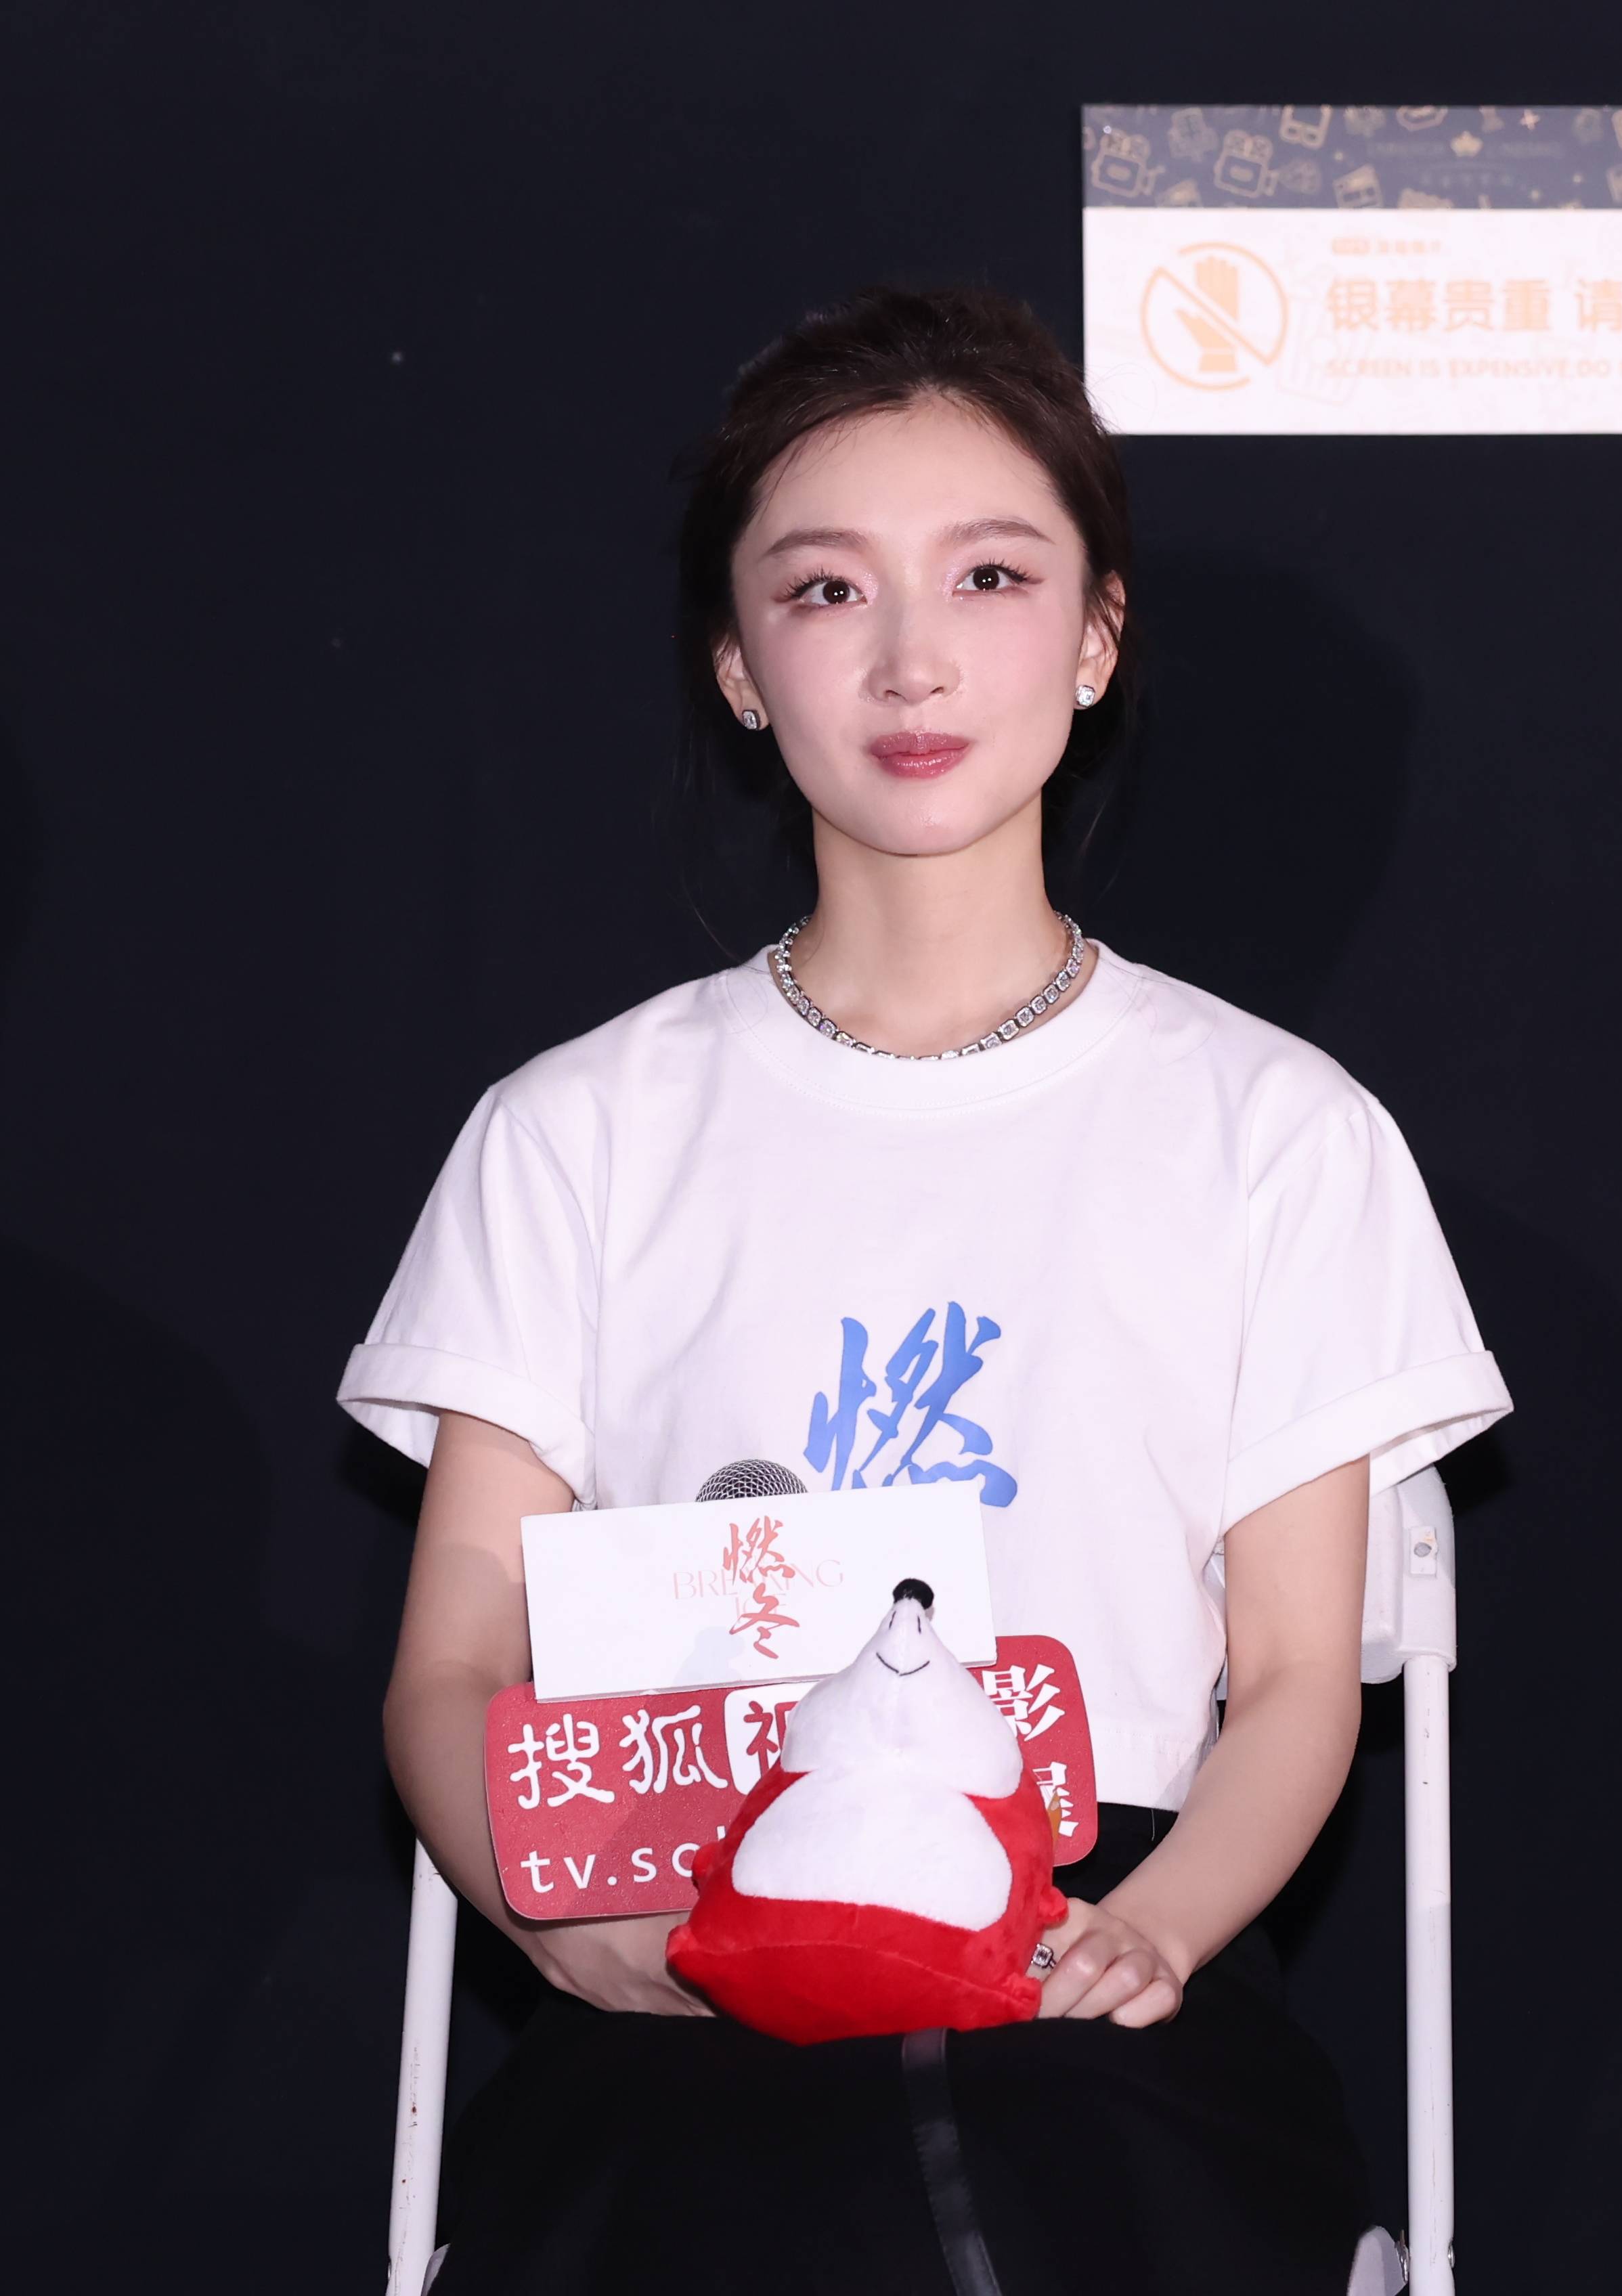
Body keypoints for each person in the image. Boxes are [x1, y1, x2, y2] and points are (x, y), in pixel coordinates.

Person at [351, 286, 1509, 2293]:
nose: (911, 659)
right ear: (737, 665)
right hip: (692, 1938)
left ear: (1097, 637)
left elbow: (1296, 1681)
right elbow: (453, 1665)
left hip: (1095, 1954)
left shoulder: (1276, 1132)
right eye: (825, 590)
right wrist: (558, 1915)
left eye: (989, 575)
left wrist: (1154, 1932)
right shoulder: (577, 1133)